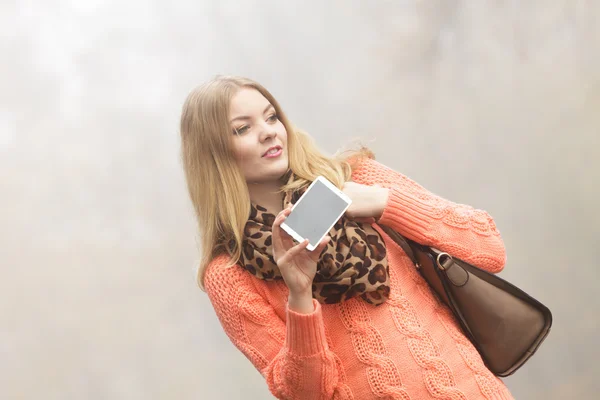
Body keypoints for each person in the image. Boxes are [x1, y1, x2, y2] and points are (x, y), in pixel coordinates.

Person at [179, 75, 514, 400]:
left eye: (271, 117)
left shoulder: (355, 179)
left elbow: (489, 248)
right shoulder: (229, 274)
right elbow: (305, 393)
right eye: (243, 128)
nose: (267, 132)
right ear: (213, 154)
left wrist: (385, 203)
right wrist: (298, 295)